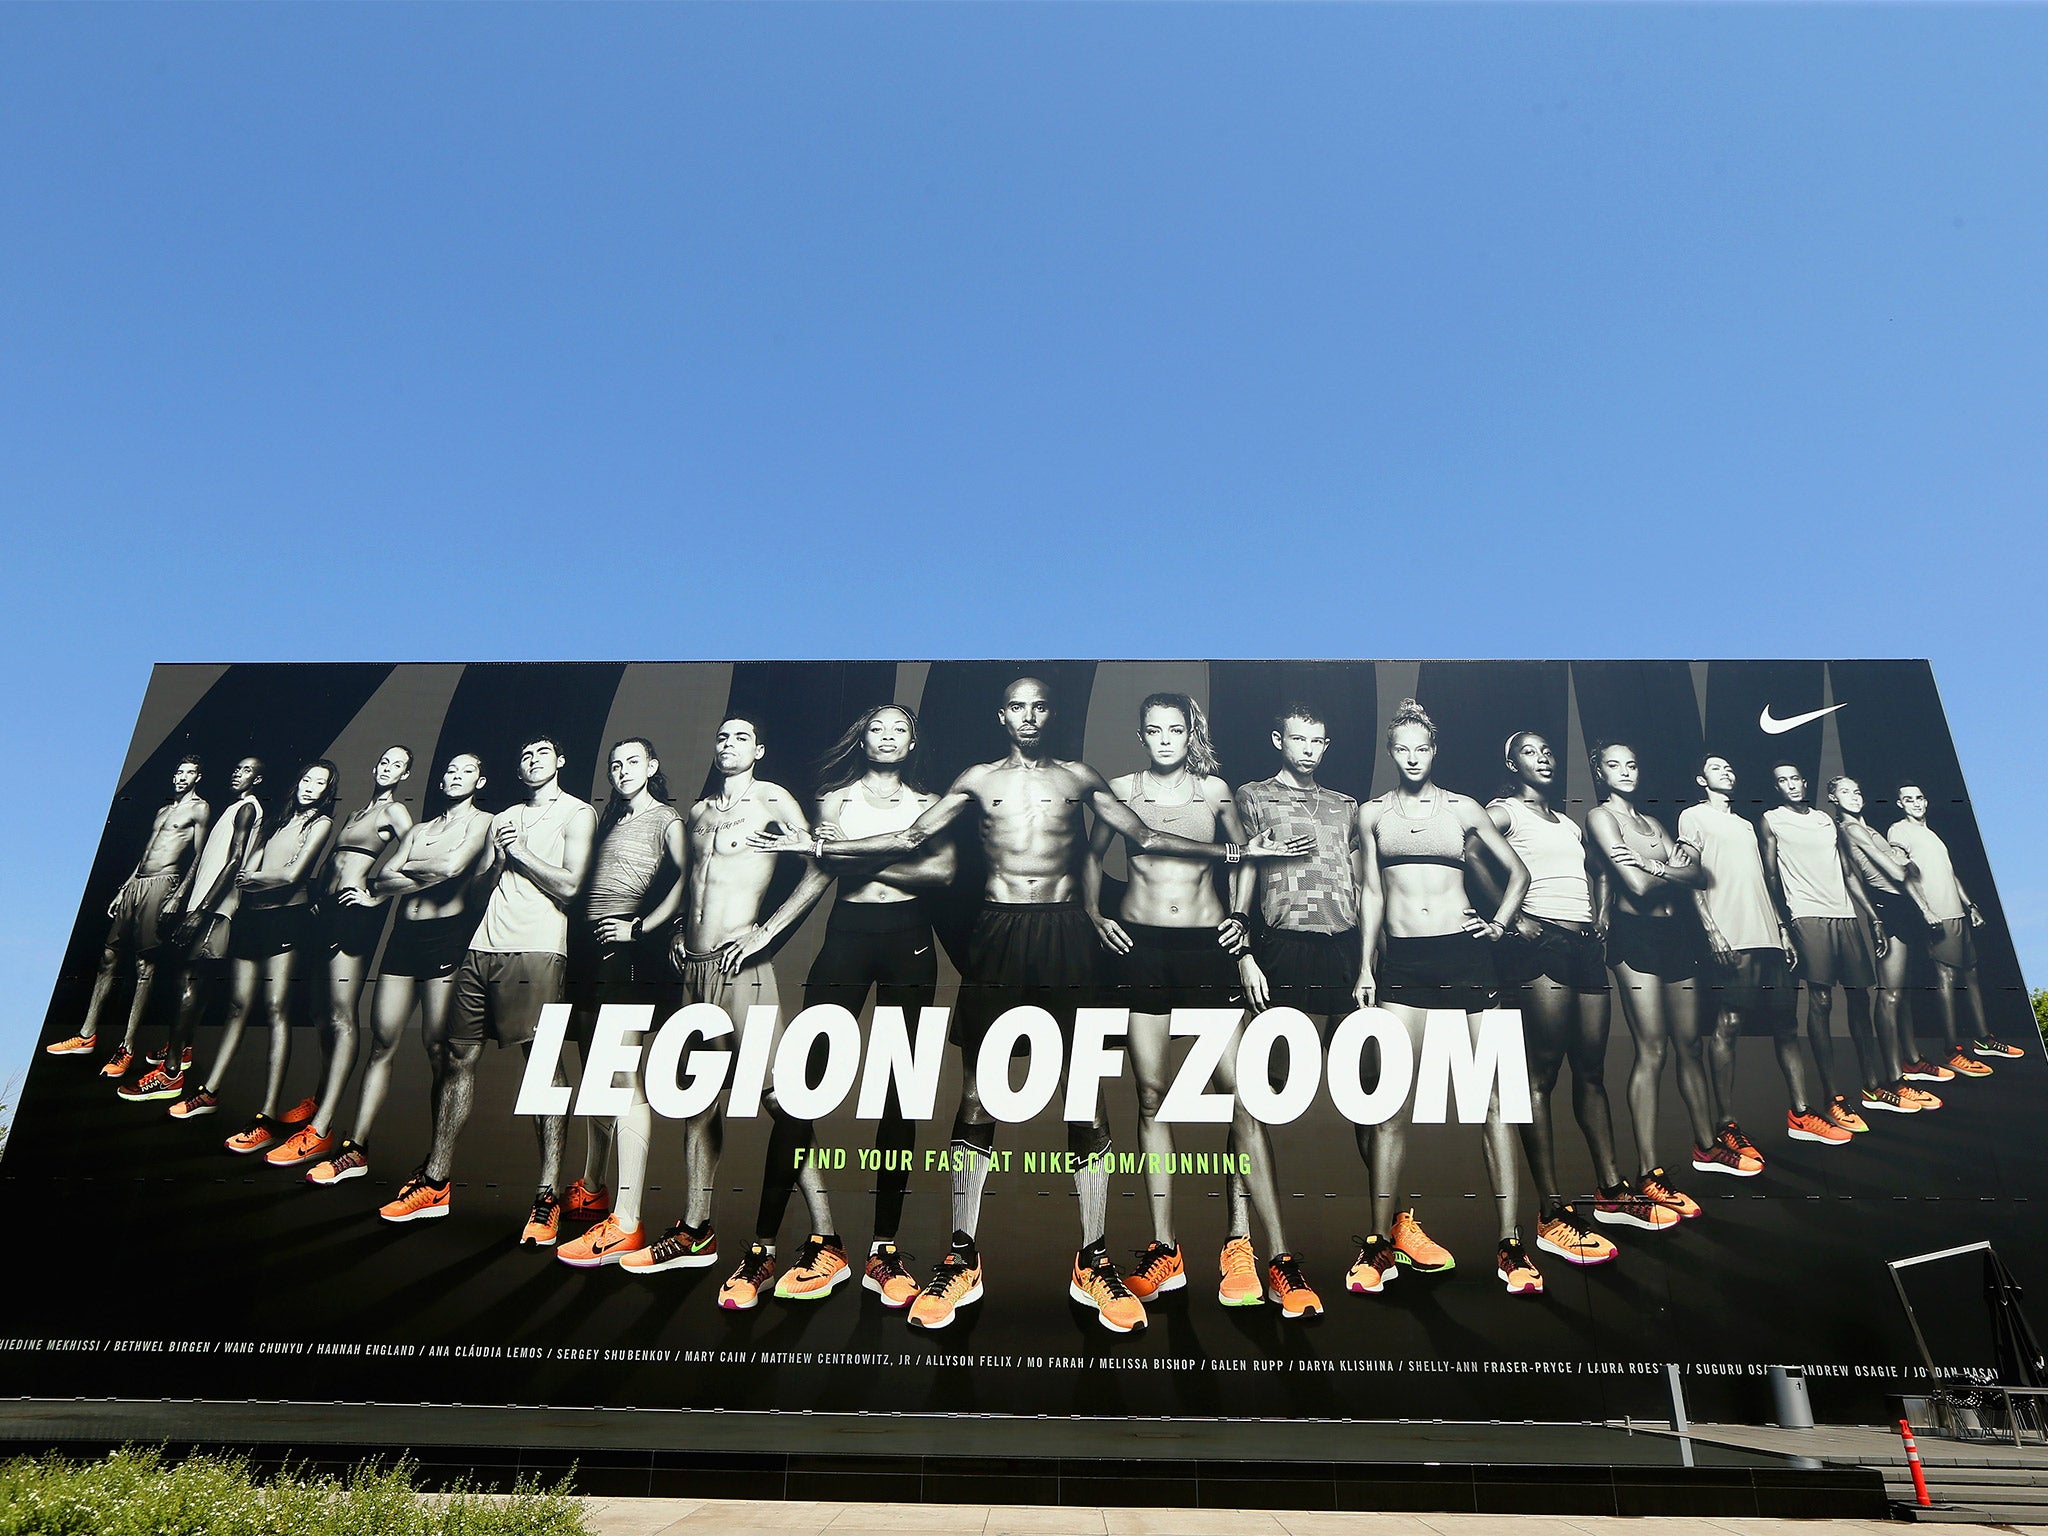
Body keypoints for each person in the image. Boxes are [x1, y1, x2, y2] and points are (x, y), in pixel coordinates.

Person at [778, 677, 1310, 1334]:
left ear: (1047, 714)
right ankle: (962, 1257)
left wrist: (1234, 851)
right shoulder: (975, 778)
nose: (1028, 715)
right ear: (1002, 715)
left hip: (1066, 936)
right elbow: (913, 838)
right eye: (1017, 706)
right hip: (1000, 931)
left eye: (1039, 706)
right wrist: (824, 849)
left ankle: (1093, 1258)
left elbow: (1142, 837)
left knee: (1083, 1091)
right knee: (978, 1094)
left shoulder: (1081, 777)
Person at [712, 705, 957, 1307]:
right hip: (846, 939)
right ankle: (765, 1250)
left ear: (912, 741)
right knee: (801, 1086)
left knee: (899, 1095)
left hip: (911, 944)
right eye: (878, 728)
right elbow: (821, 874)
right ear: (864, 738)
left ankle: (886, 1252)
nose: (888, 737)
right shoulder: (833, 800)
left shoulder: (930, 801)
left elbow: (944, 872)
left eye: (900, 729)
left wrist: (846, 852)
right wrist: (765, 932)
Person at [1087, 693, 1322, 1319]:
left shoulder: (1214, 789)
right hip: (1142, 949)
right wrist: (1093, 913)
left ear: (1191, 732)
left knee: (1242, 1095)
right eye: (1155, 730)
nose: (1166, 739)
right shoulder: (1121, 789)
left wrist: (1240, 922)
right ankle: (1164, 1249)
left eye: (1176, 729)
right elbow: (1090, 857)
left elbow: (1243, 856)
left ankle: (1279, 1257)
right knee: (1150, 1095)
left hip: (1205, 947)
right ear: (1141, 734)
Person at [615, 717, 817, 1305]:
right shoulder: (700, 812)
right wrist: (679, 927)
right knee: (695, 1098)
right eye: (721, 738)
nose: (728, 745)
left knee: (778, 1097)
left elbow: (820, 862)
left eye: (741, 739)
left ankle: (825, 1234)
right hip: (695, 968)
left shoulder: (773, 799)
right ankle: (696, 1229)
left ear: (760, 749)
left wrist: (767, 931)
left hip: (741, 968)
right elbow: (696, 883)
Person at [1354, 700, 1543, 1297]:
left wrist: (1499, 926)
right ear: (1393, 753)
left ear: (1435, 752)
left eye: (1422, 748)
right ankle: (1379, 1246)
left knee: (1491, 1100)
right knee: (1390, 1104)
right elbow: (1371, 894)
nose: (1413, 758)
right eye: (1403, 749)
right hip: (1405, 964)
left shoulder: (1462, 808)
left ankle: (1511, 1246)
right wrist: (1365, 966)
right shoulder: (1372, 814)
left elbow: (1518, 874)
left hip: (1464, 957)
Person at [377, 736, 595, 1244]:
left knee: (542, 1068)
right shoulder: (502, 818)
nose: (533, 759)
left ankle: (546, 1198)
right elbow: (476, 887)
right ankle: (435, 1181)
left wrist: (516, 852)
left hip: (537, 949)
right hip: (480, 947)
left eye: (543, 752)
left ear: (560, 760)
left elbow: (569, 886)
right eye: (525, 754)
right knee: (458, 1059)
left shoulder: (577, 813)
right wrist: (496, 859)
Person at [1482, 733, 1678, 1258]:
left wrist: (1603, 911)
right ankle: (1551, 1212)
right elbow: (1469, 853)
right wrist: (1511, 918)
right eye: (1530, 751)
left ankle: (1611, 1191)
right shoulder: (1503, 811)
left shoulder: (1568, 823)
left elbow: (1595, 872)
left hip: (1584, 944)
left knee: (1591, 1072)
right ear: (1511, 762)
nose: (1543, 757)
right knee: (1540, 1076)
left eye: (1548, 751)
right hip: (1540, 941)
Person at [303, 752, 493, 1187]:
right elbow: (382, 873)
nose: (454, 775)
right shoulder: (423, 828)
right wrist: (404, 878)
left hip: (445, 938)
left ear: (480, 781)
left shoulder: (483, 821)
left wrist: (406, 872)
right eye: (450, 769)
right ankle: (355, 1149)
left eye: (466, 770)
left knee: (438, 1052)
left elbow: (451, 867)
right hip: (402, 940)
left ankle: (435, 1164)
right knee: (381, 1042)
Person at [553, 738, 687, 1268]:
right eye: (615, 763)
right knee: (598, 1076)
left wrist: (644, 928)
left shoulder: (667, 820)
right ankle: (591, 1186)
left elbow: (687, 878)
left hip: (627, 956)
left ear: (652, 767)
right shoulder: (610, 820)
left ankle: (628, 1221)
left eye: (633, 761)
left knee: (622, 1079)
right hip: (588, 952)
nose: (622, 770)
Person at [1677, 755, 1841, 1159]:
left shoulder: (1747, 824)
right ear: (1702, 779)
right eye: (1717, 769)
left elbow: (1763, 881)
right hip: (1732, 934)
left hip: (1768, 936)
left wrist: (1783, 930)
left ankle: (1801, 1113)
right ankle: (1726, 1124)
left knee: (1786, 1025)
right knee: (1728, 1024)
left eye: (1730, 768)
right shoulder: (1693, 817)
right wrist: (1711, 930)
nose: (1728, 772)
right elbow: (1691, 878)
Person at [1582, 743, 1726, 1186]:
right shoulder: (1601, 817)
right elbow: (1638, 888)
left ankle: (1707, 1146)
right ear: (1600, 772)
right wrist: (1666, 866)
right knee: (1654, 1050)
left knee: (1691, 1045)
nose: (1625, 771)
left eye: (1632, 763)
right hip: (1635, 936)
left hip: (1675, 936)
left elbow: (1698, 876)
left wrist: (1653, 867)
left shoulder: (1651, 823)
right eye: (1614, 765)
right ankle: (1649, 1171)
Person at [266, 746, 415, 1169]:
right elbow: (337, 860)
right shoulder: (354, 814)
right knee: (318, 1011)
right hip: (326, 912)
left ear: (406, 775)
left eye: (396, 765)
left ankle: (322, 1129)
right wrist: (319, 898)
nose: (387, 769)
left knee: (340, 1015)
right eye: (383, 762)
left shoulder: (397, 813)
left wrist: (375, 895)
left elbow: (414, 857)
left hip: (354, 918)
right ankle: (319, 1099)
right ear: (374, 766)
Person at [196, 762, 336, 1154]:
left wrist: (258, 879)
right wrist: (260, 876)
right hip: (253, 920)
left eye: (320, 783)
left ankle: (267, 1116)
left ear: (328, 791)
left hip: (286, 920)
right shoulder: (277, 821)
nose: (311, 787)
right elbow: (250, 865)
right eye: (307, 779)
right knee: (238, 1007)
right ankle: (208, 1093)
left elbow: (292, 876)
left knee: (276, 1008)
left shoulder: (320, 823)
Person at [50, 756, 209, 1073]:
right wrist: (125, 887)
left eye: (188, 772)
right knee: (108, 957)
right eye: (178, 771)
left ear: (198, 777)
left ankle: (127, 1048)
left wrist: (178, 895)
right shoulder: (163, 810)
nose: (181, 776)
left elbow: (199, 856)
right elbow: (147, 852)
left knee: (143, 965)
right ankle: (86, 1035)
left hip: (164, 883)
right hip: (137, 885)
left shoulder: (199, 808)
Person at [119, 758, 264, 1107]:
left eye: (245, 770)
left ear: (257, 780)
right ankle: (179, 1051)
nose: (236, 772)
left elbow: (235, 860)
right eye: (236, 767)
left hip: (213, 910)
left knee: (189, 980)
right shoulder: (234, 807)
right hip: (205, 906)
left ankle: (170, 1074)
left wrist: (200, 911)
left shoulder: (246, 808)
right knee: (193, 982)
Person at [1761, 761, 1888, 1135]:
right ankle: (1834, 1098)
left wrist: (1873, 918)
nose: (1791, 785)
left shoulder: (1825, 820)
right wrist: (1783, 923)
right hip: (1806, 915)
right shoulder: (1772, 820)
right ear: (1777, 787)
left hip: (1846, 916)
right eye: (1781, 780)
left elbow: (1849, 872)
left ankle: (1873, 1086)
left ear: (1804, 781)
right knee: (1821, 1002)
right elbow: (1770, 875)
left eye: (1795, 778)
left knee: (1860, 999)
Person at [1826, 776, 1944, 1111]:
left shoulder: (1867, 829)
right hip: (1888, 906)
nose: (1854, 795)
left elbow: (1908, 871)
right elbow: (1897, 871)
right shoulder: (1852, 830)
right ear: (1832, 798)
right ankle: (1894, 1080)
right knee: (1890, 995)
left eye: (1858, 790)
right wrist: (1900, 857)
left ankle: (1911, 1061)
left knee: (1901, 994)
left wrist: (1919, 898)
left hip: (1901, 907)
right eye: (1845, 791)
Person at [1890, 783, 2017, 1067]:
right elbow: (1899, 864)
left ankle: (1984, 1039)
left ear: (1926, 801)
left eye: (1919, 798)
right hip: (1937, 915)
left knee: (1971, 973)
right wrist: (1924, 908)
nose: (1915, 803)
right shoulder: (1899, 830)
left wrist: (1971, 906)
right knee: (1945, 978)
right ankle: (1951, 1049)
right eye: (1908, 799)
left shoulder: (1932, 834)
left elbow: (1951, 874)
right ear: (1900, 804)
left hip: (1958, 912)